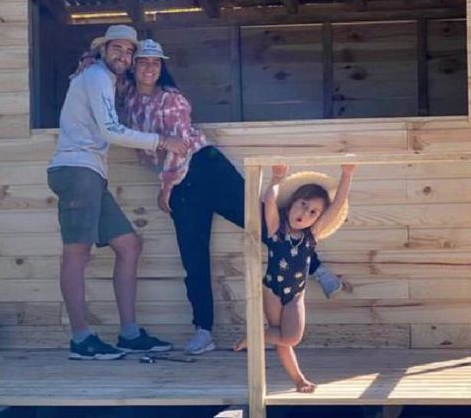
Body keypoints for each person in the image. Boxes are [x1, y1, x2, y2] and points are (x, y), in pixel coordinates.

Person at [119, 39, 350, 355]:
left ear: (162, 68)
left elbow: (180, 147)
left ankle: (317, 269)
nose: (149, 67)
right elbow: (96, 67)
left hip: (203, 168)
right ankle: (203, 330)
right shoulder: (128, 99)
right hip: (181, 186)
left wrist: (166, 187)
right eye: (143, 61)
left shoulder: (170, 100)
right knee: (193, 256)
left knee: (259, 222)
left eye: (156, 63)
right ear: (133, 66)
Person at [47, 25, 187, 360]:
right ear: (103, 50)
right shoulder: (96, 77)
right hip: (77, 171)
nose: (124, 56)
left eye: (129, 52)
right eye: (118, 50)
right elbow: (111, 130)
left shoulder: (104, 80)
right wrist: (162, 141)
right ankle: (81, 340)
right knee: (76, 255)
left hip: (91, 173)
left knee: (129, 245)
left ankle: (129, 334)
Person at [233, 164, 356, 393]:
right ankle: (299, 380)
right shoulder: (275, 229)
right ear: (291, 204)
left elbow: (337, 205)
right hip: (272, 290)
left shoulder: (312, 235)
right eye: (303, 205)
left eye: (313, 212)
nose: (305, 214)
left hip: (295, 295)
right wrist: (276, 178)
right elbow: (269, 200)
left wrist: (347, 174)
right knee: (281, 336)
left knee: (289, 338)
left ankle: (255, 337)